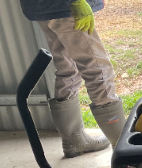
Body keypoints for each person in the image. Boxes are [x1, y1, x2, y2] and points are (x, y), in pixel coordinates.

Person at [18, 0, 125, 158]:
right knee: (96, 68)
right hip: (65, 6)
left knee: (67, 67)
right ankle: (124, 149)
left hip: (41, 6)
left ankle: (74, 141)